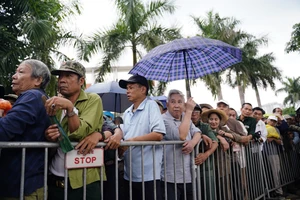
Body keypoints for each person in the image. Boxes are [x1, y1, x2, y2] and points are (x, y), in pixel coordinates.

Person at [45, 61, 104, 200]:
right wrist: (49, 135)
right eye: (60, 77)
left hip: (84, 181)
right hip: (54, 178)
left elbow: (80, 133)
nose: (62, 80)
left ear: (81, 81)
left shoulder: (93, 99)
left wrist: (70, 108)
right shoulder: (54, 103)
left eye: (68, 76)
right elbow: (49, 131)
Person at [0, 59, 51, 199]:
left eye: (21, 72)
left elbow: (3, 131)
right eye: (16, 72)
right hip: (20, 184)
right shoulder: (34, 97)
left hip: (23, 187)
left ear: (38, 80)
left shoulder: (32, 96)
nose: (14, 76)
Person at [119, 74, 166, 200]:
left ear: (143, 89)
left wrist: (131, 141)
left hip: (149, 174)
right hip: (129, 173)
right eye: (127, 88)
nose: (127, 91)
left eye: (131, 87)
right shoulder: (127, 112)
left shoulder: (151, 106)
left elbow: (158, 134)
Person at [161, 89, 202, 200]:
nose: (176, 105)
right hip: (170, 176)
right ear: (168, 104)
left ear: (184, 104)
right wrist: (189, 111)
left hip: (189, 174)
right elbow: (181, 136)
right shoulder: (163, 120)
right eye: (173, 102)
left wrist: (192, 143)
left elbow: (197, 132)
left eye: (180, 102)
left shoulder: (185, 117)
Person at [191, 104, 218, 200]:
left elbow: (215, 143)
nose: (194, 114)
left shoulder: (205, 126)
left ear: (200, 114)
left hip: (206, 167)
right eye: (191, 111)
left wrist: (205, 155)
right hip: (188, 168)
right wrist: (201, 136)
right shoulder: (184, 124)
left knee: (209, 194)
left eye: (197, 112)